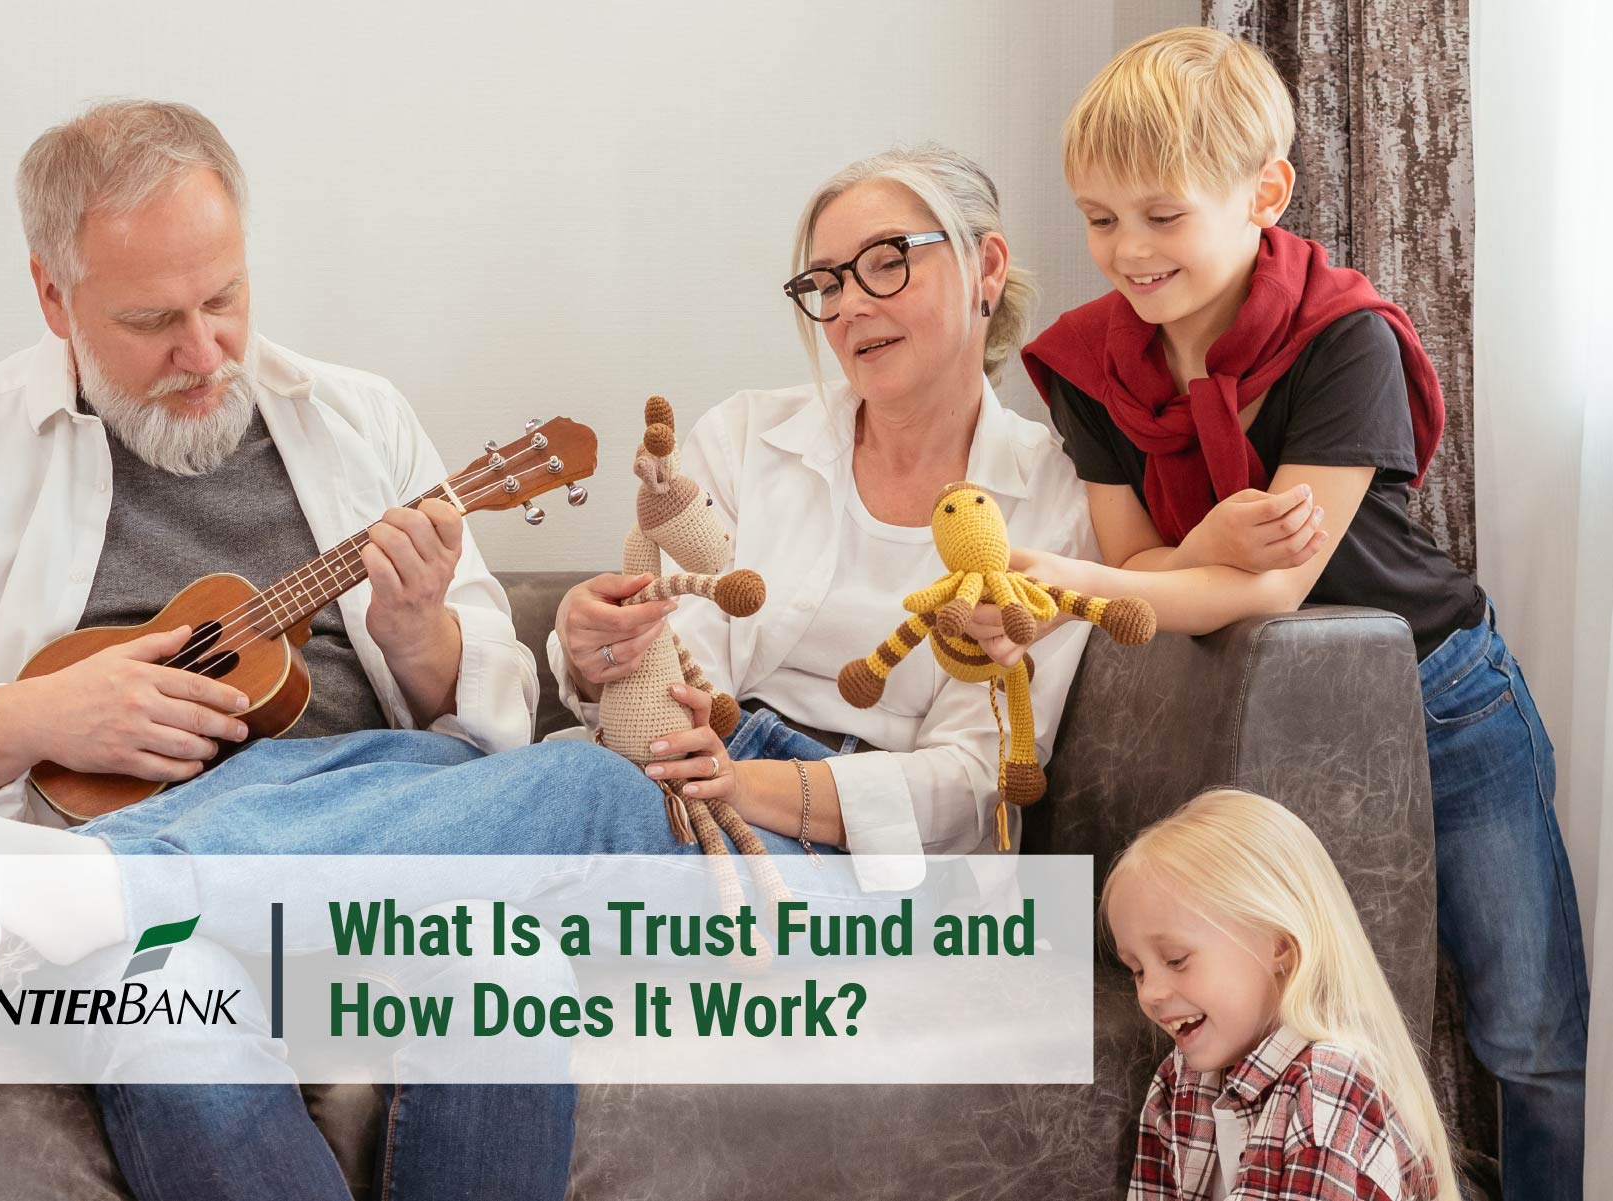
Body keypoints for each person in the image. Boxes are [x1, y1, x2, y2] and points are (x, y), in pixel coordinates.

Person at [0, 98, 587, 1201]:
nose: (205, 349)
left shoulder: (360, 421)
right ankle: (112, 885)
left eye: (224, 298)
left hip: (362, 875)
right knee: (179, 1028)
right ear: (52, 296)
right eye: (150, 320)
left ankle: (109, 883)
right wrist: (42, 718)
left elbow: (491, 732)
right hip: (137, 939)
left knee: (513, 968)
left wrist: (422, 639)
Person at [999, 29, 1586, 1197]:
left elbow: (1269, 581)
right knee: (1312, 1021)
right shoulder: (1086, 368)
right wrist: (1195, 547)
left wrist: (1059, 582)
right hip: (1255, 709)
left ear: (1263, 193)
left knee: (1526, 1030)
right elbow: (1150, 564)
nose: (1127, 249)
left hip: (1438, 694)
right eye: (1099, 217)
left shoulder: (1343, 339)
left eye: (1161, 215)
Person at [550, 143, 1098, 890]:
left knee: (580, 792)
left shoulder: (1048, 498)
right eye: (825, 282)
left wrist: (742, 783)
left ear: (986, 269)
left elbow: (977, 776)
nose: (847, 306)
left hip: (863, 852)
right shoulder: (744, 437)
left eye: (885, 261)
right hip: (690, 768)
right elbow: (677, 661)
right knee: (463, 768)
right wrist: (603, 658)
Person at [1104, 789, 1461, 1200]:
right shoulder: (1176, 1085)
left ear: (1280, 946)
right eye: (1137, 970)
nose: (1149, 992)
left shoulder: (1328, 1090)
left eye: (1176, 959)